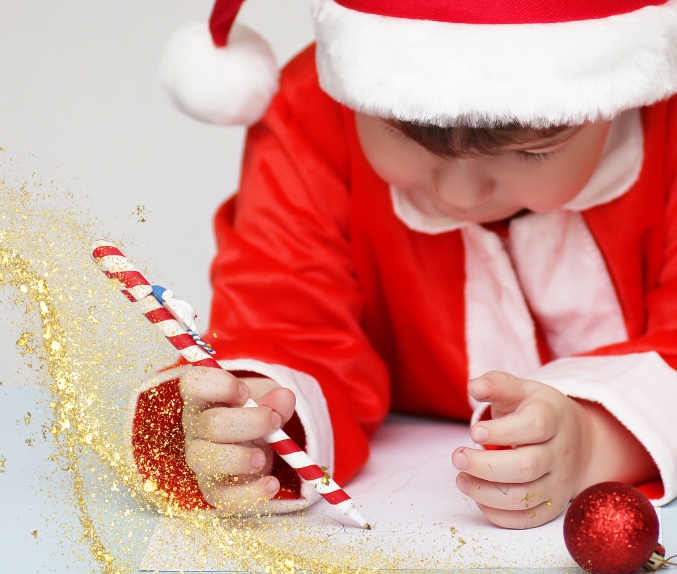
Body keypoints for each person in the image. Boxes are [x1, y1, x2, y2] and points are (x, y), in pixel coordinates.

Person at [131, 0, 677, 529]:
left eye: (534, 151)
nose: (461, 195)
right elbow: (286, 322)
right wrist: (257, 417)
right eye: (399, 131)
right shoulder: (310, 116)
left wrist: (600, 440)